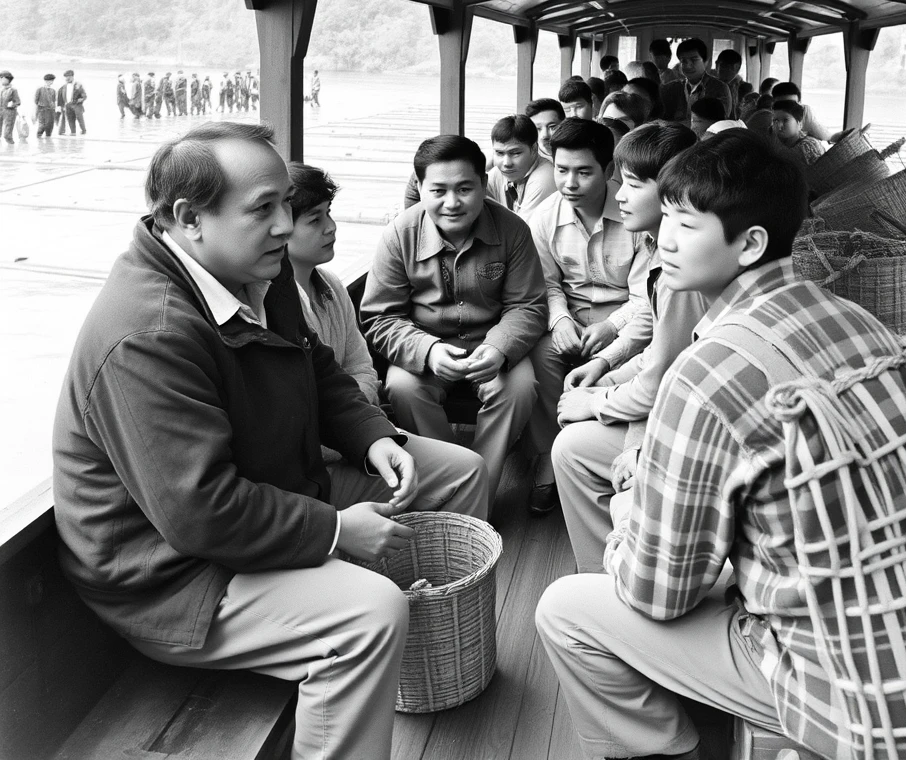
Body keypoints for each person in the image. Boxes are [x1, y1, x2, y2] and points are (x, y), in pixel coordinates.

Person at [535, 130, 906, 760]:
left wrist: (632, 515)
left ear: (751, 244)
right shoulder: (858, 319)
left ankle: (660, 746)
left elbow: (660, 591)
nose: (666, 240)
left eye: (685, 224)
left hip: (856, 689)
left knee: (567, 610)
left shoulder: (707, 371)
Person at [52, 122, 487, 760]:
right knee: (368, 616)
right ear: (189, 218)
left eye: (287, 202)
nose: (286, 224)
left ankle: (429, 655)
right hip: (178, 576)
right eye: (264, 209)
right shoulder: (149, 335)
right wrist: (337, 531)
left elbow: (314, 367)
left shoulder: (257, 270)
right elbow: (199, 512)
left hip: (274, 484)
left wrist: (371, 436)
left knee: (458, 471)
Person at [361, 135, 547, 510]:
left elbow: (527, 305)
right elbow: (381, 316)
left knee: (521, 388)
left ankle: (477, 497)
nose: (452, 202)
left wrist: (498, 348)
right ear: (420, 188)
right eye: (439, 190)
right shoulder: (400, 234)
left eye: (465, 188)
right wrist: (427, 351)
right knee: (401, 387)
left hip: (491, 346)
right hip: (424, 348)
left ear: (484, 183)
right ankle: (450, 480)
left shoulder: (513, 230)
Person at [551, 122, 703, 573]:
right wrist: (605, 369)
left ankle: (610, 574)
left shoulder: (681, 269)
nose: (618, 194)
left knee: (570, 446)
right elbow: (658, 347)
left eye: (633, 184)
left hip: (682, 418)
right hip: (663, 401)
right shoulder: (662, 247)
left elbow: (662, 379)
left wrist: (596, 402)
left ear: (675, 191)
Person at [528, 119, 653, 515]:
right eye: (561, 170)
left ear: (608, 170)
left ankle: (590, 444)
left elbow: (645, 297)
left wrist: (610, 327)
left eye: (584, 172)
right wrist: (561, 321)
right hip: (570, 314)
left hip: (626, 318)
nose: (569, 183)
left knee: (632, 358)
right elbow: (545, 286)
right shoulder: (544, 218)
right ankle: (551, 456)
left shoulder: (636, 215)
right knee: (542, 356)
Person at [286, 162, 380, 407]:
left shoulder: (332, 285)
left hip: (357, 426)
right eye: (315, 219)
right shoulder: (273, 303)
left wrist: (355, 413)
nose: (331, 227)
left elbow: (362, 367)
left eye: (328, 213)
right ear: (280, 228)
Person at [485, 114, 557, 222]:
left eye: (515, 153)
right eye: (499, 153)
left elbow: (522, 231)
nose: (506, 163)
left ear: (534, 149)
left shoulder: (545, 178)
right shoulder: (500, 170)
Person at [661, 38, 731, 123]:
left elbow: (720, 123)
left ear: (705, 62)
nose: (688, 66)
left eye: (694, 60)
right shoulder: (670, 88)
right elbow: (663, 120)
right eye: (684, 61)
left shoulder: (719, 88)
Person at [773, 99, 825, 165]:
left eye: (785, 120)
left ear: (799, 124)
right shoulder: (782, 145)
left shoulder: (806, 147)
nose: (779, 126)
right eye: (775, 120)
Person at [525, 97, 565, 161]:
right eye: (537, 128)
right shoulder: (527, 160)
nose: (545, 135)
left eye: (552, 127)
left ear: (565, 124)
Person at [57, 70, 86, 135]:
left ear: (72, 77)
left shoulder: (78, 85)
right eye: (66, 77)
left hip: (77, 104)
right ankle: (73, 132)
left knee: (80, 118)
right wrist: (61, 106)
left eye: (69, 77)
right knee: (70, 119)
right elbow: (60, 97)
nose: (67, 78)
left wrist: (81, 99)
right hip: (67, 105)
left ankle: (84, 130)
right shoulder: (63, 87)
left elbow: (84, 96)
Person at [34, 72, 57, 137]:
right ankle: (38, 138)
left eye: (52, 80)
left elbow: (53, 101)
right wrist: (35, 112)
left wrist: (55, 110)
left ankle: (48, 141)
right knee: (42, 125)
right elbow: (35, 101)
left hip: (51, 110)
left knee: (50, 126)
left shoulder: (53, 90)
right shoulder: (40, 89)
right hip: (42, 109)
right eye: (50, 80)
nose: (51, 82)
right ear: (46, 81)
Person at [1, 71, 20, 143]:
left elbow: (18, 102)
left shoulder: (13, 90)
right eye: (1, 78)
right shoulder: (1, 89)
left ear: (8, 80)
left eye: (3, 78)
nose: (1, 80)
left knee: (7, 134)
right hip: (1, 110)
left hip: (10, 112)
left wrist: (11, 104)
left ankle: (11, 148)